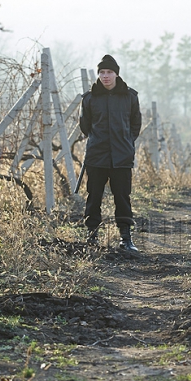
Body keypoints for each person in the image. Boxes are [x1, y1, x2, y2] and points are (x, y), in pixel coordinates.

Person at [80, 54, 142, 251]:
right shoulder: (89, 99)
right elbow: (85, 126)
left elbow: (135, 124)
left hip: (122, 157)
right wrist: (98, 141)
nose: (105, 76)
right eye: (102, 72)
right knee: (93, 196)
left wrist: (126, 142)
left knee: (122, 197)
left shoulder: (130, 97)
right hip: (96, 156)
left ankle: (126, 238)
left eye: (109, 72)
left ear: (116, 74)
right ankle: (92, 237)